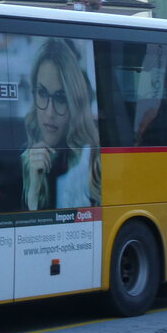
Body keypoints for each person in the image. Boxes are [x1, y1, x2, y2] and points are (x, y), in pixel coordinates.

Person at [20, 38, 101, 211]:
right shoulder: (22, 160)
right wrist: (33, 192)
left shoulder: (92, 158)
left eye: (60, 98)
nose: (50, 112)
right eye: (42, 93)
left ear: (74, 103)